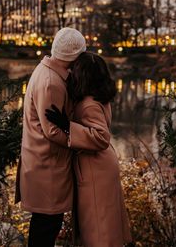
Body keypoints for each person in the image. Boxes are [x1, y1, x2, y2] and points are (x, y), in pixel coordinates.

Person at [45, 52, 132, 247]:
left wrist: (67, 126)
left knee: (98, 225)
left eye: (75, 69)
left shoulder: (89, 104)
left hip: (96, 169)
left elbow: (101, 137)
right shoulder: (98, 96)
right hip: (99, 166)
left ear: (83, 75)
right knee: (101, 221)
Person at [15, 28, 86, 247]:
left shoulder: (47, 71)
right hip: (47, 168)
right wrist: (83, 141)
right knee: (45, 228)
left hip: (43, 164)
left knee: (44, 226)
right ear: (73, 57)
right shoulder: (52, 83)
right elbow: (52, 131)